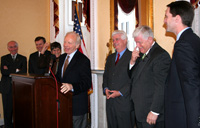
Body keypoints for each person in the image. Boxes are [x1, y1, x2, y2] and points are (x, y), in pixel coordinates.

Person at [164, 1, 200, 128]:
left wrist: (194, 123)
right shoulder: (194, 40)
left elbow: (191, 86)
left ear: (177, 18)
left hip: (183, 117)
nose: (164, 21)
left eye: (167, 16)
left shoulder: (183, 45)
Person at [129, 25, 171, 128]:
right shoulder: (143, 53)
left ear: (150, 39)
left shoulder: (160, 56)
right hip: (140, 112)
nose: (137, 45)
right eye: (136, 42)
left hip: (151, 115)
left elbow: (161, 86)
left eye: (140, 42)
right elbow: (133, 77)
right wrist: (132, 61)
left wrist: (154, 111)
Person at [56, 32, 91, 128]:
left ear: (77, 45)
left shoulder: (83, 60)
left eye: (69, 43)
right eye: (65, 42)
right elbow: (59, 78)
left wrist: (72, 86)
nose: (66, 45)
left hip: (77, 106)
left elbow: (86, 83)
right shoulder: (62, 58)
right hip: (63, 104)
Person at [102, 30, 134, 128]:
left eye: (117, 39)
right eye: (113, 40)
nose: (114, 42)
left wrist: (120, 92)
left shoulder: (133, 57)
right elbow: (106, 76)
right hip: (110, 103)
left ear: (125, 40)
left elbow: (134, 80)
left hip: (125, 103)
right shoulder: (110, 58)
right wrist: (105, 88)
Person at [1, 41, 27, 128]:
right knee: (7, 110)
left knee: (19, 109)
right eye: (11, 47)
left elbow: (23, 72)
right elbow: (3, 72)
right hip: (6, 88)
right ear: (8, 48)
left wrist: (9, 69)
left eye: (15, 46)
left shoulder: (23, 58)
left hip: (18, 87)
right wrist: (16, 70)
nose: (13, 49)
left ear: (17, 47)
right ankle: (7, 126)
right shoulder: (3, 58)